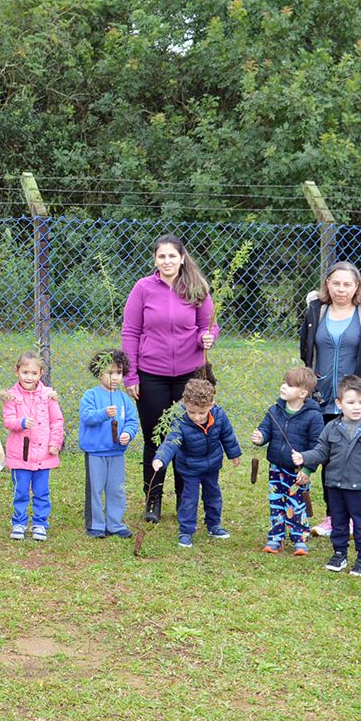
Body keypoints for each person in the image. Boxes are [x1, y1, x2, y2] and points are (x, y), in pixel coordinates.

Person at [122, 234, 219, 525]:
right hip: (151, 374)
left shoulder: (196, 288)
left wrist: (209, 337)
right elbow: (130, 332)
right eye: (161, 256)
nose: (167, 261)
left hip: (189, 375)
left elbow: (209, 325)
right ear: (155, 259)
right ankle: (153, 496)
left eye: (172, 256)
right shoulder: (142, 288)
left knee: (186, 438)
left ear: (182, 258)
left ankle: (184, 498)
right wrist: (131, 374)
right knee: (156, 437)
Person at [299, 260, 361, 540]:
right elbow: (306, 348)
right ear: (327, 284)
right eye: (336, 283)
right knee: (329, 457)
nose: (341, 289)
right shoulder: (316, 310)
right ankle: (333, 517)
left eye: (347, 284)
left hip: (352, 402)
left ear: (357, 287)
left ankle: (354, 517)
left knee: (353, 458)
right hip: (322, 398)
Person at [292, 376, 361, 577]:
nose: (356, 407)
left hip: (360, 487)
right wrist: (303, 457)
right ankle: (339, 554)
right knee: (338, 521)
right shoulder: (331, 428)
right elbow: (321, 452)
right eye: (351, 402)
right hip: (335, 485)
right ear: (339, 404)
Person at [152, 378, 241, 547]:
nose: (197, 417)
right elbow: (172, 440)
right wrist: (160, 458)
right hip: (189, 467)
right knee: (189, 499)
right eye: (192, 412)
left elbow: (227, 435)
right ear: (185, 403)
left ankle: (214, 525)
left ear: (211, 405)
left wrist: (234, 453)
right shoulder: (180, 419)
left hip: (212, 464)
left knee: (213, 495)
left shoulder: (219, 415)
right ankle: (186, 531)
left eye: (202, 413)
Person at [252, 365, 324, 555]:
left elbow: (317, 446)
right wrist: (260, 437)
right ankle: (276, 538)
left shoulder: (314, 416)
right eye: (284, 382)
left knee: (296, 504)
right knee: (276, 502)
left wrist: (307, 469)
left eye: (289, 385)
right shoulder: (274, 410)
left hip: (298, 472)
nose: (283, 387)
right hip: (276, 467)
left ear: (302, 393)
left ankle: (299, 538)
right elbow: (266, 429)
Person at [1, 351, 64, 541]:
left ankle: (40, 523)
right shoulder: (11, 397)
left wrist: (55, 443)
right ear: (17, 372)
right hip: (20, 454)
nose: (29, 377)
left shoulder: (48, 397)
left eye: (34, 373)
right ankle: (19, 522)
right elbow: (8, 420)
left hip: (43, 454)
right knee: (20, 490)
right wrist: (20, 423)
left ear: (41, 373)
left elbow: (57, 421)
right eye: (25, 372)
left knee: (42, 491)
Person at [79, 348, 139, 539]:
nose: (115, 378)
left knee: (116, 488)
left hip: (116, 452)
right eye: (110, 373)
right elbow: (87, 417)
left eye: (119, 373)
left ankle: (115, 523)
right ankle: (96, 523)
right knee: (95, 488)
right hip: (95, 451)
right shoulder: (90, 396)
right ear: (99, 372)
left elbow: (132, 421)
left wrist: (128, 434)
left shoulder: (124, 399)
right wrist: (104, 413)